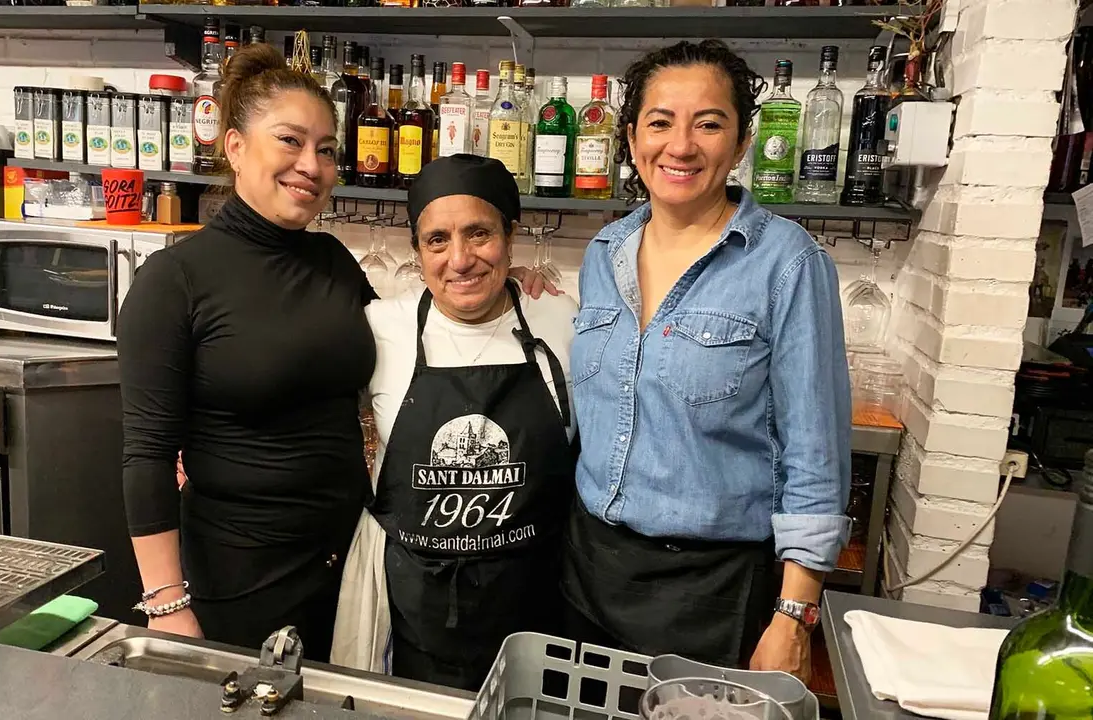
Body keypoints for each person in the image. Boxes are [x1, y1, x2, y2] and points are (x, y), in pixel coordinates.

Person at [119, 44, 553, 661]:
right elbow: (147, 458)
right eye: (290, 142)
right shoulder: (174, 281)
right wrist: (167, 602)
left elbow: (419, 331)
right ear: (235, 146)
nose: (312, 165)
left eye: (326, 149)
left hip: (351, 564)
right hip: (240, 573)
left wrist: (515, 292)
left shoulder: (333, 263)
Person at [562, 40, 851, 683]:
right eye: (661, 122)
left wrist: (793, 617)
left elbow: (816, 454)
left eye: (709, 123)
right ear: (631, 137)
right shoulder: (603, 252)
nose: (681, 146)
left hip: (713, 589)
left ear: (742, 141)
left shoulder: (789, 264)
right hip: (587, 570)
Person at [330, 154, 578, 690]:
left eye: (479, 234)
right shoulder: (381, 326)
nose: (459, 259)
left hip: (535, 610)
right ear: (418, 251)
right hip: (417, 611)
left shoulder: (564, 320)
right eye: (437, 240)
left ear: (511, 237)